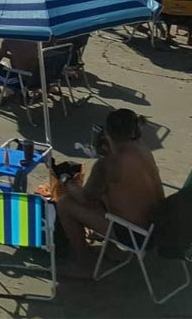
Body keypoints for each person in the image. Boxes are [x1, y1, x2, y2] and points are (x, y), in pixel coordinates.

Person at [57, 108, 164, 277]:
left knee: (65, 204)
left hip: (136, 235)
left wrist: (66, 181)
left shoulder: (108, 164)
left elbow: (85, 198)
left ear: (107, 132)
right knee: (107, 193)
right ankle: (112, 250)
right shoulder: (142, 148)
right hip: (159, 224)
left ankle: (84, 263)